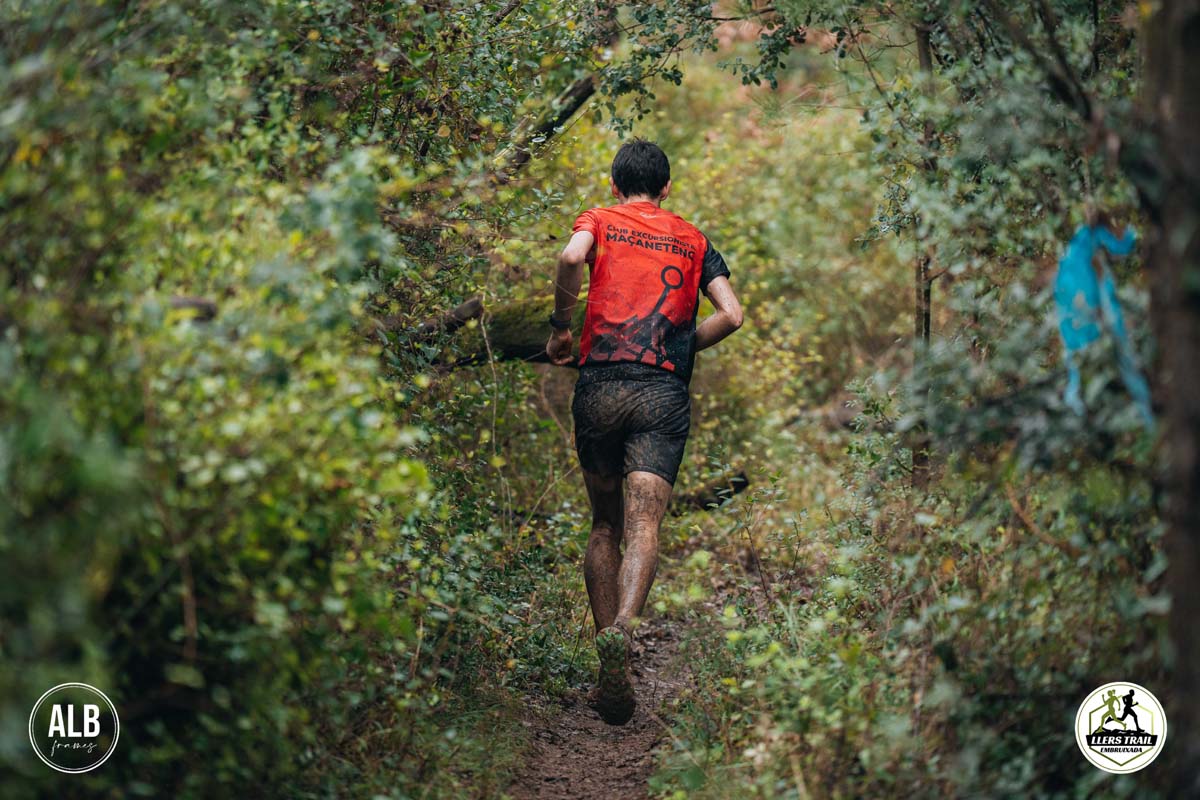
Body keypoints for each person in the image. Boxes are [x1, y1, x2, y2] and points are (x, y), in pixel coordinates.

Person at [544, 139, 743, 724]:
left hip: (601, 386)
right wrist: (681, 350)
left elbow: (570, 257)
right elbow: (732, 315)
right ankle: (624, 633)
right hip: (662, 395)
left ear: (614, 185)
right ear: (667, 188)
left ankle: (606, 646)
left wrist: (561, 328)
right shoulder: (694, 239)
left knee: (605, 524)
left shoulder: (600, 220)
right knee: (644, 524)